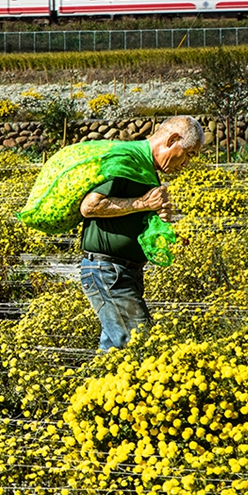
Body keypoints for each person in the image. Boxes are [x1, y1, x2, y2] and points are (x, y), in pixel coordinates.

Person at [77, 115, 206, 351]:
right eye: (189, 154)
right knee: (139, 347)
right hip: (108, 272)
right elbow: (90, 206)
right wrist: (143, 204)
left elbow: (132, 214)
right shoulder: (128, 159)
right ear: (173, 139)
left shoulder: (147, 168)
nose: (186, 163)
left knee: (115, 352)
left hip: (123, 272)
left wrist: (156, 218)